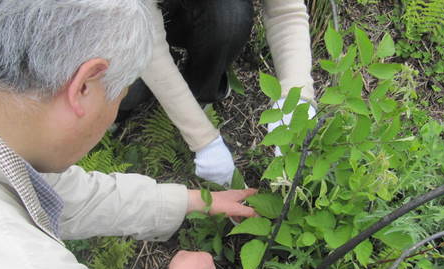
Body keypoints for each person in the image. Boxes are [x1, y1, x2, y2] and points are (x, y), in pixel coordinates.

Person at [0, 1, 257, 269]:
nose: (114, 113)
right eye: (119, 97)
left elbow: (66, 195)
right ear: (84, 85)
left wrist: (195, 200)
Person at [120, 0, 317, 186]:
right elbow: (149, 41)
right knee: (128, 89)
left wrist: (297, 93)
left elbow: (285, 13)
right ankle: (113, 114)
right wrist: (203, 140)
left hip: (198, 11)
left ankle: (200, 93)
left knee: (230, 18)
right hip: (124, 16)